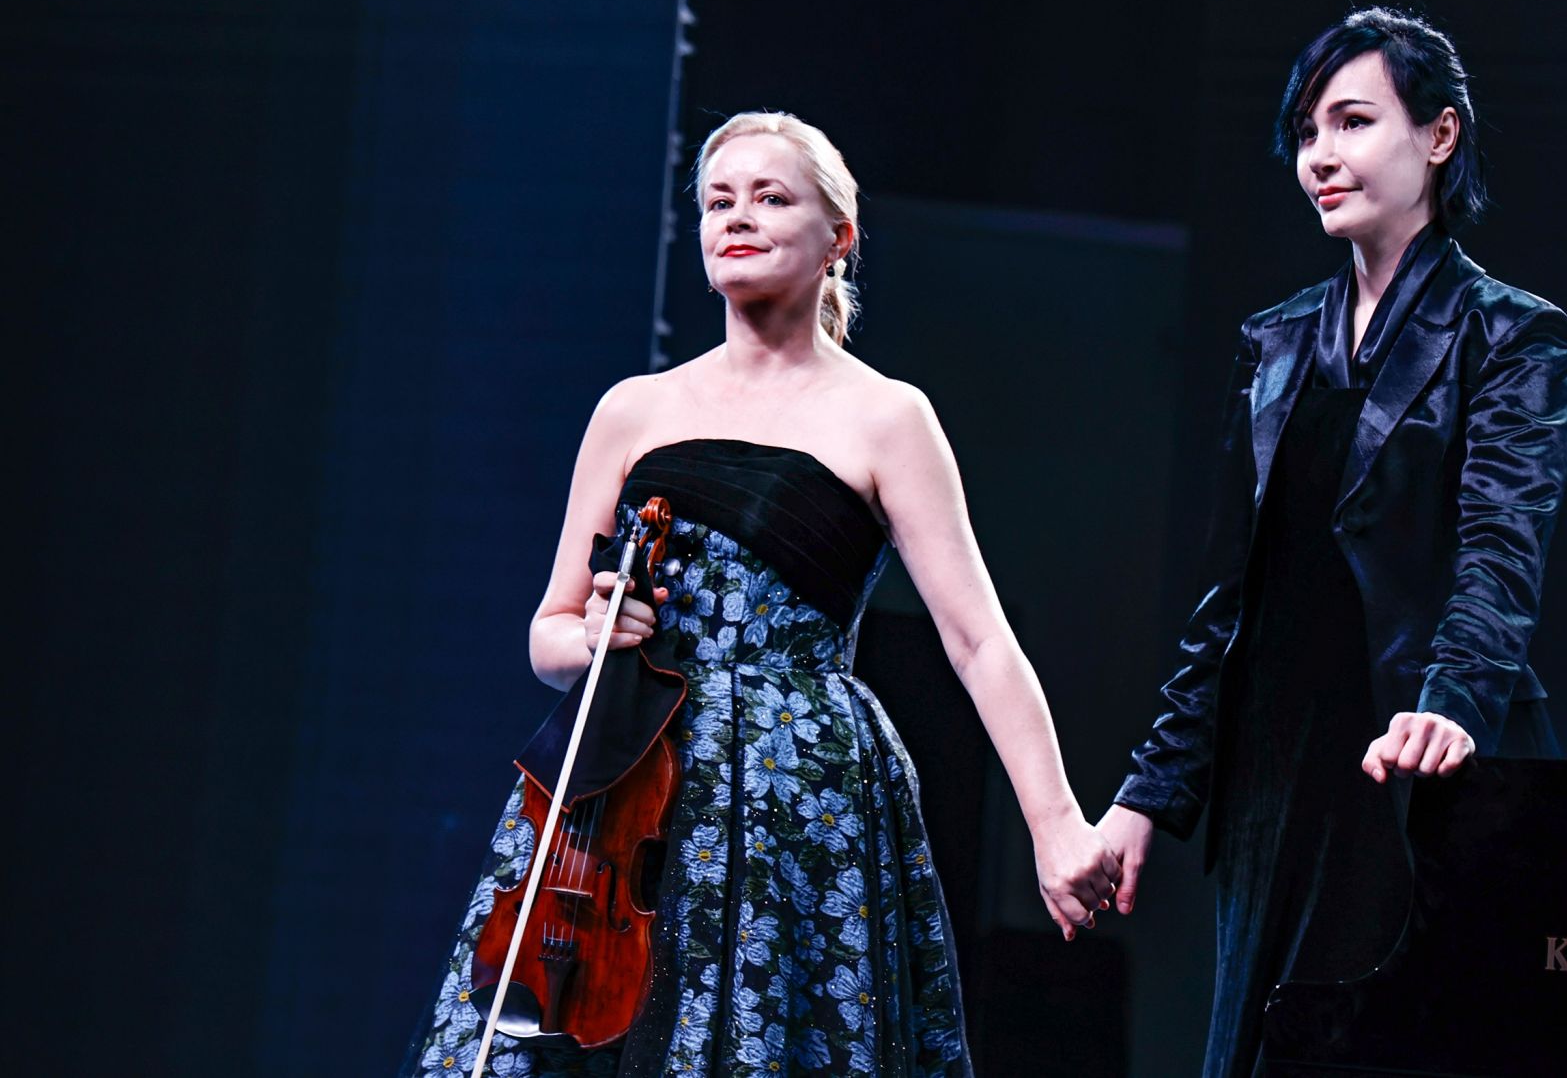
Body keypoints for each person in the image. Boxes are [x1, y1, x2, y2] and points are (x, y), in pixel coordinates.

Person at [402, 110, 1120, 1077]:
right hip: (623, 789)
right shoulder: (633, 409)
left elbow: (978, 639)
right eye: (718, 201)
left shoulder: (887, 415)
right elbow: (550, 633)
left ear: (839, 238)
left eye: (770, 197)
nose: (736, 217)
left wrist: (1055, 821)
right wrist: (599, 635)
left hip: (795, 788)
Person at [1097, 8, 1567, 1077]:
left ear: (1439, 136)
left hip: (1413, 767)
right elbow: (1229, 599)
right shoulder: (1270, 343)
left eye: (1352, 122)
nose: (1319, 155)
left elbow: (1500, 551)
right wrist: (1146, 794)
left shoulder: (1513, 334)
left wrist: (1451, 706)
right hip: (1275, 782)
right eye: (1306, 131)